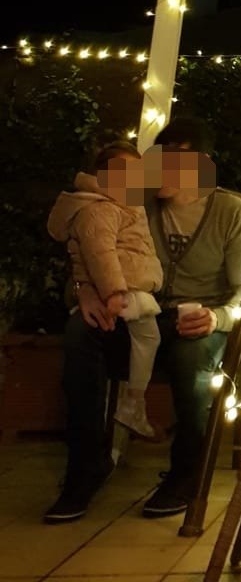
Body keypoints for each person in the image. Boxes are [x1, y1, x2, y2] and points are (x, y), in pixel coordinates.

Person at [46, 116, 241, 524]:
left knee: (190, 359)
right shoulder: (132, 202)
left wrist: (217, 318)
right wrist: (84, 292)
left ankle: (184, 473)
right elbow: (87, 249)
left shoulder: (233, 213)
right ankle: (85, 468)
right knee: (80, 333)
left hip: (200, 320)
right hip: (137, 314)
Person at [47, 139, 163, 442]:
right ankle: (127, 409)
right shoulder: (101, 209)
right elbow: (101, 254)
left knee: (144, 339)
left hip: (126, 290)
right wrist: (112, 292)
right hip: (122, 292)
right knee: (144, 338)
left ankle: (124, 415)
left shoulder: (123, 206)